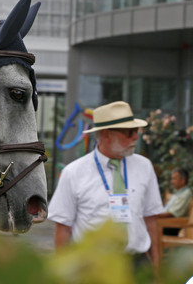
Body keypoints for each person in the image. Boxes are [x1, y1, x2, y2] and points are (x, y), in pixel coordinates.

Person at [48, 101, 165, 265]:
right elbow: (63, 228)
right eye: (130, 132)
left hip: (137, 263)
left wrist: (157, 266)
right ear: (108, 134)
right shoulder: (73, 173)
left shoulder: (144, 167)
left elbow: (151, 220)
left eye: (136, 131)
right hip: (92, 264)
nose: (136, 137)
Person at [158, 168, 193, 235]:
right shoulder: (179, 192)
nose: (172, 181)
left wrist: (156, 216)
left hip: (172, 225)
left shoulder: (185, 194)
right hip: (166, 223)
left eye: (174, 179)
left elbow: (172, 213)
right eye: (172, 179)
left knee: (148, 225)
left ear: (182, 180)